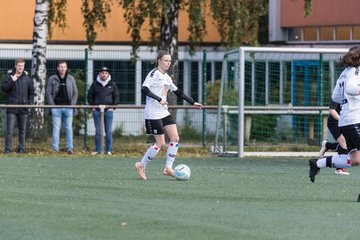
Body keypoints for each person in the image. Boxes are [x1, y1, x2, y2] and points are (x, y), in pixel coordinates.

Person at [135, 50, 203, 180]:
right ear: (159, 60)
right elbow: (144, 89)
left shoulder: (166, 77)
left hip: (164, 112)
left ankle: (168, 168)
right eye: (166, 60)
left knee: (175, 138)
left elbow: (178, 92)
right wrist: (159, 99)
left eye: (170, 61)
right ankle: (141, 165)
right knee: (160, 143)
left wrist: (193, 102)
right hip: (153, 113)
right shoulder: (153, 74)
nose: (168, 63)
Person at [309, 46, 360, 182]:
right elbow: (350, 89)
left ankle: (318, 164)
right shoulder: (356, 71)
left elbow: (335, 97)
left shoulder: (344, 73)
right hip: (354, 120)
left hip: (345, 121)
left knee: (355, 159)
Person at [2, 58, 34, 154]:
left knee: (22, 131)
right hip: (12, 108)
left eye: (22, 66)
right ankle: (8, 150)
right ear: (15, 66)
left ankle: (21, 149)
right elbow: (4, 88)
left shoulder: (27, 79)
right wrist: (13, 80)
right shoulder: (9, 76)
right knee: (10, 131)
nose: (21, 67)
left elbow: (31, 93)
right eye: (19, 65)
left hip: (24, 108)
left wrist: (29, 103)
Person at [46, 60, 78, 154]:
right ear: (57, 68)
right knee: (56, 129)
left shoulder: (71, 78)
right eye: (61, 67)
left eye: (64, 66)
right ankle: (55, 149)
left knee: (68, 128)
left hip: (68, 109)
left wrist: (72, 106)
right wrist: (52, 106)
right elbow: (48, 93)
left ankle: (70, 149)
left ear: (66, 68)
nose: (63, 68)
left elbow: (75, 93)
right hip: (56, 108)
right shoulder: (52, 78)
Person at [87, 67, 119, 155]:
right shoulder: (94, 84)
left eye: (105, 73)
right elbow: (90, 96)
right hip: (97, 111)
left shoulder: (112, 84)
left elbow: (116, 96)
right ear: (99, 74)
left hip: (108, 111)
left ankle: (109, 150)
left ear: (108, 74)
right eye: (102, 73)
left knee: (108, 131)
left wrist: (113, 107)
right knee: (98, 131)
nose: (104, 75)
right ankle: (98, 150)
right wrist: (92, 106)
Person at [318, 100, 349, 175]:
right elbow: (332, 110)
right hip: (334, 122)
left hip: (347, 122)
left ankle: (327, 145)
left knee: (350, 145)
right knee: (344, 143)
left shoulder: (354, 95)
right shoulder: (338, 94)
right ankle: (339, 169)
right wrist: (342, 120)